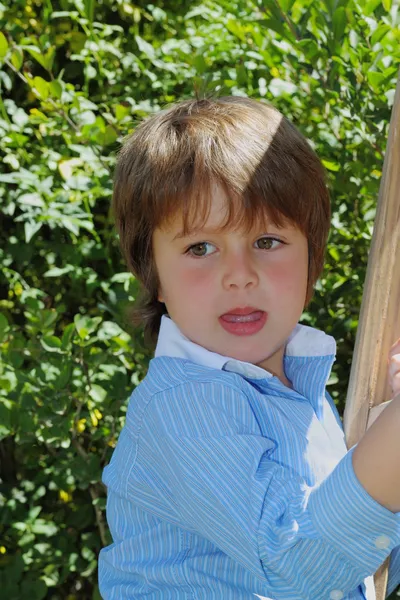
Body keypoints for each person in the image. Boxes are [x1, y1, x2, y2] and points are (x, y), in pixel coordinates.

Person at [98, 95, 400, 599]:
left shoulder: (292, 383)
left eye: (267, 241)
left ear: (311, 258)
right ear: (155, 277)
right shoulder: (186, 404)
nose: (239, 275)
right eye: (200, 248)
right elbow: (295, 563)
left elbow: (349, 537)